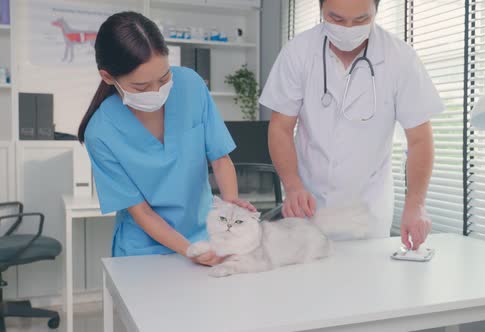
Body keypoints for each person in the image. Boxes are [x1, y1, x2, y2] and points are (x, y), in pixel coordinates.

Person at [260, 0, 444, 249]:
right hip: (308, 203)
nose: (348, 28)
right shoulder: (299, 52)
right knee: (304, 281)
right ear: (321, 10)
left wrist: (416, 204)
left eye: (360, 20)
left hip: (368, 208)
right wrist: (292, 186)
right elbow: (280, 127)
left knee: (366, 281)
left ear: (376, 12)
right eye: (336, 19)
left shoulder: (400, 58)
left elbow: (420, 138)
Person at [78, 12, 255, 265]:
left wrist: (230, 213)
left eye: (164, 78)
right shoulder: (100, 132)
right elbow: (141, 212)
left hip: (205, 235)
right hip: (143, 251)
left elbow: (220, 158)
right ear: (108, 77)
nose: (156, 91)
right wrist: (192, 251)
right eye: (141, 87)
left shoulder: (191, 86)